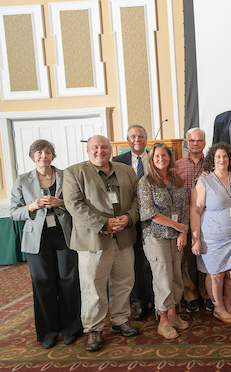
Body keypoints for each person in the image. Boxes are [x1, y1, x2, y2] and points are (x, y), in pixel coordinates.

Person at [63, 135, 140, 352]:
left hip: (124, 237)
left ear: (110, 149)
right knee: (93, 287)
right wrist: (104, 224)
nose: (100, 151)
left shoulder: (126, 170)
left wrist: (129, 218)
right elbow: (74, 205)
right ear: (88, 151)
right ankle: (93, 327)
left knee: (124, 281)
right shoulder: (74, 172)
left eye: (104, 147)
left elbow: (137, 199)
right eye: (95, 147)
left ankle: (120, 320)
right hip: (93, 240)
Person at [10, 140, 81, 349]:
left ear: (53, 155)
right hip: (36, 239)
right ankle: (48, 332)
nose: (44, 156)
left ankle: (71, 329)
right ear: (33, 157)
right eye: (39, 153)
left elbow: (78, 202)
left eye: (48, 152)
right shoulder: (23, 180)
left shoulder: (66, 175)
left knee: (69, 281)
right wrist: (32, 206)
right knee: (43, 284)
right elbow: (14, 212)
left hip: (64, 235)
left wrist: (61, 203)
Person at [191, 142, 231, 324]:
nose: (222, 159)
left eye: (225, 156)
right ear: (212, 160)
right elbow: (195, 210)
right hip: (212, 237)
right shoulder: (204, 181)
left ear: (229, 159)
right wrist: (195, 239)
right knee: (215, 274)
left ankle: (228, 302)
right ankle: (218, 307)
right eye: (218, 157)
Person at [138, 143, 189, 339]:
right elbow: (149, 213)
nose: (161, 159)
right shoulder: (145, 182)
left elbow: (184, 207)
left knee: (176, 275)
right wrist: (179, 228)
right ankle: (163, 321)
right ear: (151, 159)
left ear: (170, 157)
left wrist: (183, 233)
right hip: (156, 236)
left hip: (176, 237)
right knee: (163, 279)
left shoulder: (176, 180)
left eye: (165, 155)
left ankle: (174, 314)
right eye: (157, 156)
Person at [112, 125, 154, 321]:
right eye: (133, 136)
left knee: (154, 261)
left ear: (147, 139)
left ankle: (156, 299)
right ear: (127, 140)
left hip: (154, 218)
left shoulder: (155, 157)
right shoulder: (117, 161)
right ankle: (138, 303)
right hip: (129, 218)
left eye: (141, 136)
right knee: (135, 263)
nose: (137, 139)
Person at [176, 128, 213, 313]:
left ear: (204, 143)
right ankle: (190, 296)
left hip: (207, 219)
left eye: (199, 141)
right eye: (192, 140)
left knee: (205, 257)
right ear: (187, 143)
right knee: (187, 260)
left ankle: (207, 294)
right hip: (184, 218)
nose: (195, 143)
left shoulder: (212, 164)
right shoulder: (177, 165)